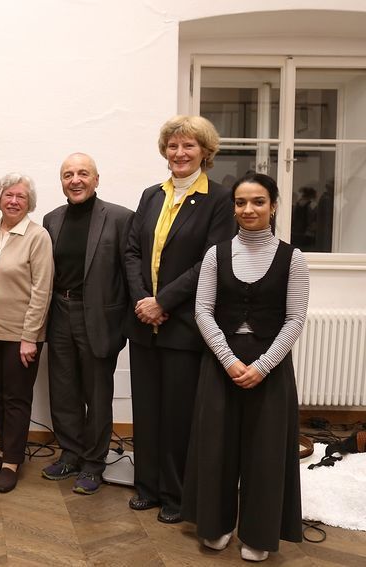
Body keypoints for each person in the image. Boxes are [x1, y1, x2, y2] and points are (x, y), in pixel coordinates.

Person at [182, 172, 307, 562]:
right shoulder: (215, 254)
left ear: (272, 206)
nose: (248, 209)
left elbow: (295, 319)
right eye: (240, 202)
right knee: (216, 447)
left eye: (257, 202)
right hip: (222, 363)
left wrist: (264, 365)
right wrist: (230, 360)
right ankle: (215, 525)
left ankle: (259, 532)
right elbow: (202, 311)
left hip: (271, 367)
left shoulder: (293, 257)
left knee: (266, 452)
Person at [123, 115, 235, 524]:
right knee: (147, 410)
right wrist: (142, 300)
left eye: (188, 146)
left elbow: (212, 259)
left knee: (177, 415)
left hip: (184, 324)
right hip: (143, 322)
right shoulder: (152, 195)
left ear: (205, 152)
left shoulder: (220, 199)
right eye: (173, 146)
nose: (179, 153)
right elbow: (132, 251)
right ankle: (147, 487)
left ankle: (175, 494)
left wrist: (163, 301)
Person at [40, 153, 134, 495]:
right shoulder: (51, 220)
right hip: (59, 312)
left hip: (99, 317)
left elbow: (130, 274)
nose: (75, 180)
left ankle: (94, 463)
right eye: (68, 174)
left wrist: (125, 323)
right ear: (61, 181)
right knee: (63, 389)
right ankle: (70, 453)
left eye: (83, 173)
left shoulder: (121, 218)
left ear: (96, 179)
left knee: (97, 394)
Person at [0, 173, 52, 492]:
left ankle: (12, 462)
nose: (14, 201)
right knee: (0, 395)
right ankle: (4, 451)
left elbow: (41, 289)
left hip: (22, 336)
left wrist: (30, 336)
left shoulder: (38, 236)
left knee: (17, 398)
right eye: (8, 195)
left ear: (29, 202)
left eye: (21, 196)